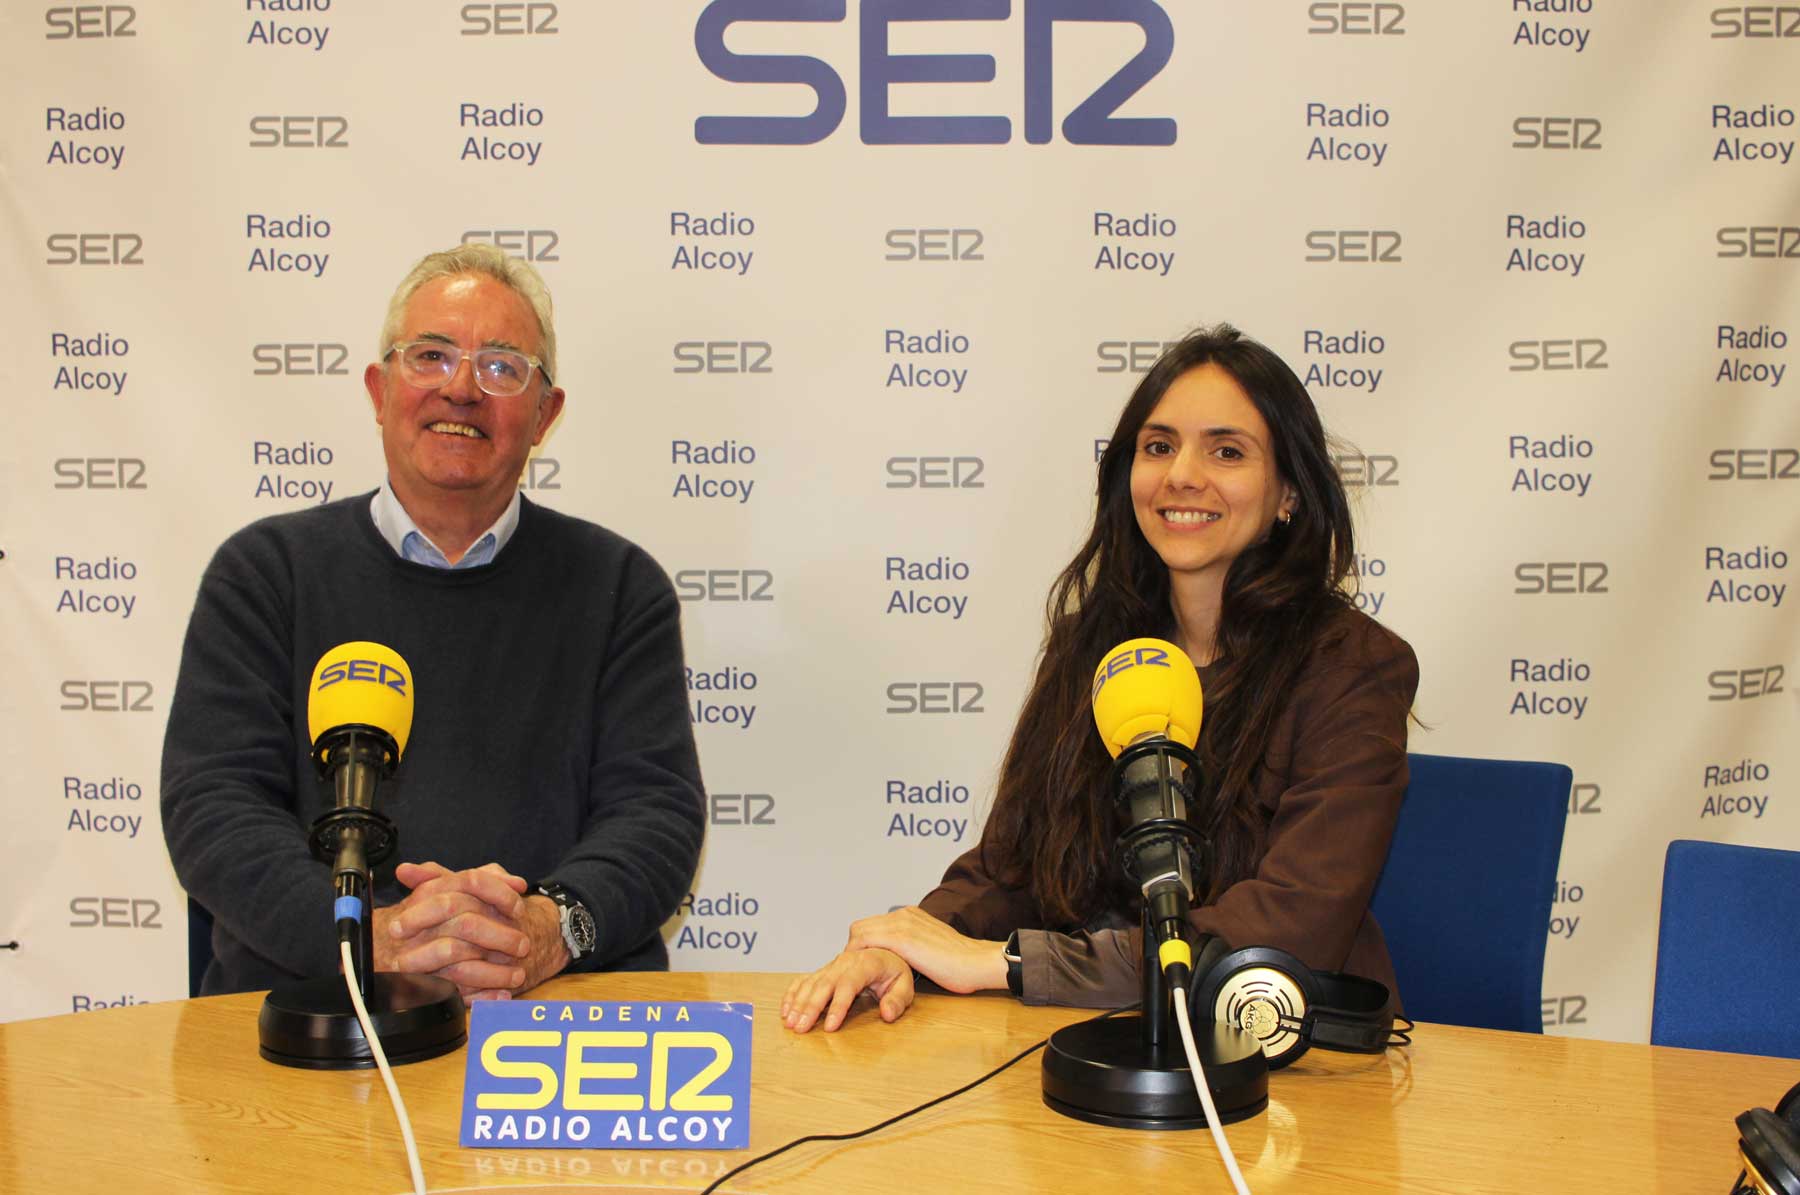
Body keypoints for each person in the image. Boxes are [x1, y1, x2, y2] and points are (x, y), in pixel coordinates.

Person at [783, 325, 1417, 1032]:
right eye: (1158, 446)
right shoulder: (1094, 646)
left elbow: (1290, 931)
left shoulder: (1353, 667)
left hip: (1289, 1062)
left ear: (1289, 494)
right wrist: (908, 944)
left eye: (1227, 451)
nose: (1181, 474)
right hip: (1097, 1043)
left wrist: (1008, 964)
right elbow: (1007, 868)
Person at [162, 244, 705, 1000]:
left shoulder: (618, 586)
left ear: (546, 414)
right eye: (431, 356)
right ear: (379, 390)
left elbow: (656, 814)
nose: (461, 388)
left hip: (551, 1023)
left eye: (502, 367)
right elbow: (215, 807)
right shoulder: (264, 573)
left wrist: (544, 931)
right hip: (313, 1015)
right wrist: (363, 937)